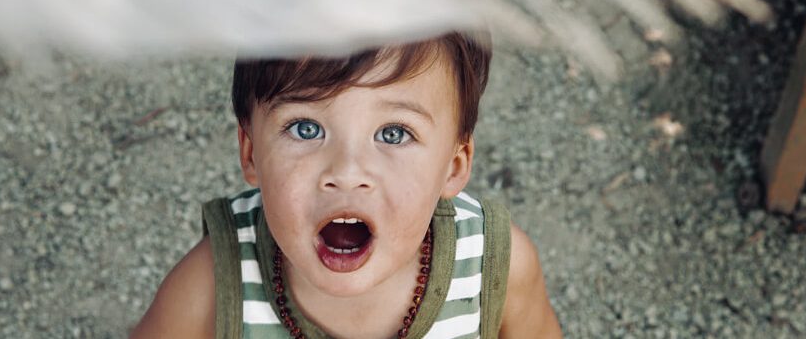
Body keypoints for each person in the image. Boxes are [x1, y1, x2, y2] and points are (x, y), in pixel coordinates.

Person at [130, 32, 561, 338]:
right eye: (305, 128)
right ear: (250, 153)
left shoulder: (493, 268)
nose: (348, 171)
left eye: (393, 133)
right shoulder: (212, 287)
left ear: (453, 165)